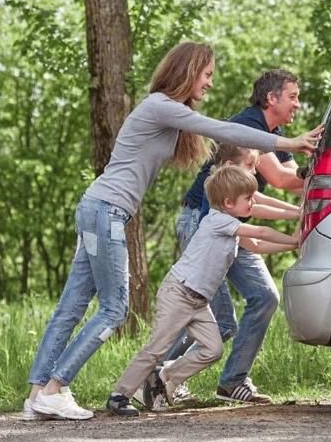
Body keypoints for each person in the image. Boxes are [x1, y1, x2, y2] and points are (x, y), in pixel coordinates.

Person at [23, 43, 321, 421]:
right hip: (106, 211)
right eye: (207, 74)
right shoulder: (160, 105)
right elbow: (222, 129)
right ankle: (54, 387)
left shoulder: (166, 114)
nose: (210, 82)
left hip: (99, 208)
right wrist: (287, 143)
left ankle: (38, 395)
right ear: (189, 70)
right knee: (114, 310)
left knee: (72, 307)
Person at [154, 69, 308, 406]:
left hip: (232, 222)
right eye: (293, 96)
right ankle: (157, 374)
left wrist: (304, 207)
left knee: (265, 296)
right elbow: (283, 180)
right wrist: (329, 171)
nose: (298, 104)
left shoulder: (275, 133)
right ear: (272, 98)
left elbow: (296, 180)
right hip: (203, 221)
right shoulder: (249, 129)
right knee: (214, 318)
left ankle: (232, 381)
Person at [107, 165, 299, 416]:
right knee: (156, 348)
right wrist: (294, 239)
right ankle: (119, 395)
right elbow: (261, 230)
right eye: (248, 198)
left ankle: (165, 376)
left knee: (213, 349)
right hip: (179, 293)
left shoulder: (232, 227)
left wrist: (295, 243)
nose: (253, 202)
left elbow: (260, 244)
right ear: (228, 202)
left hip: (198, 302)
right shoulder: (218, 221)